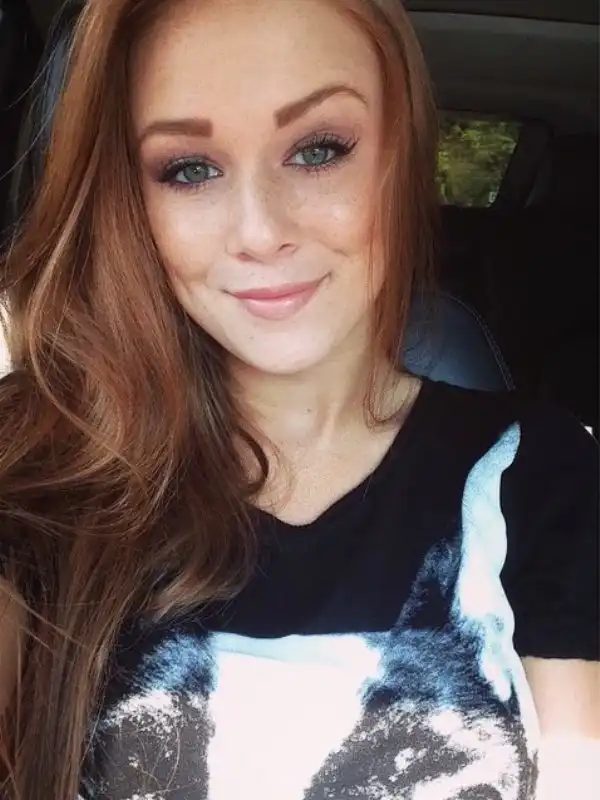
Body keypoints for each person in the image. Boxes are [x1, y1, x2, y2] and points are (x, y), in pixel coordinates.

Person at [0, 0, 597, 797]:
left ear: (402, 160)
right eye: (188, 168)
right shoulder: (36, 464)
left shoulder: (542, 472)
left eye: (318, 151)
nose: (259, 230)